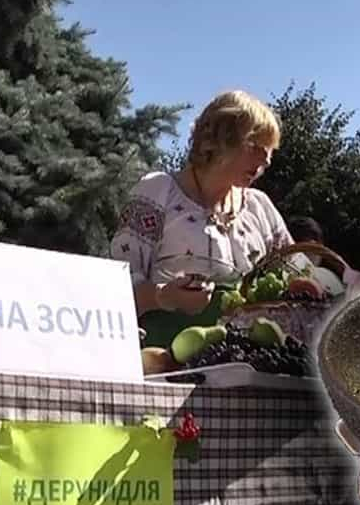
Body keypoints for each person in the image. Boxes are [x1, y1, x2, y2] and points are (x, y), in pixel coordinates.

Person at [112, 90, 294, 346]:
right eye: (255, 146)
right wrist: (163, 297)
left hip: (245, 363)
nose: (266, 159)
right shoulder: (158, 191)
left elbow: (300, 272)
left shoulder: (259, 207)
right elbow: (115, 290)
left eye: (269, 151)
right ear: (221, 141)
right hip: (163, 357)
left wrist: (342, 280)